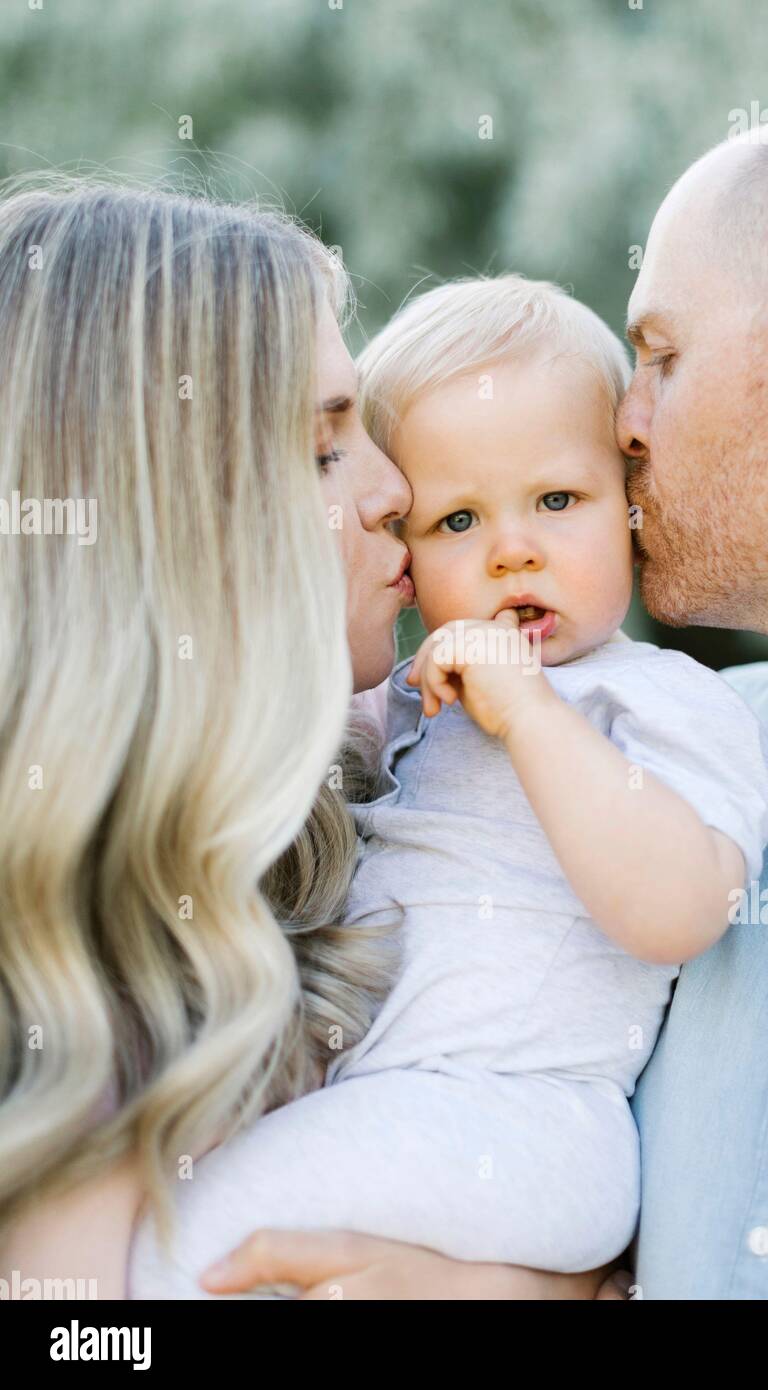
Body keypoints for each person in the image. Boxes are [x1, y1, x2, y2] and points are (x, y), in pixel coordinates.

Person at [197, 84, 768, 1301]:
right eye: (456, 513)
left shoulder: (660, 742)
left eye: (663, 355)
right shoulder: (726, 755)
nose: (624, 419)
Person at [126, 276, 768, 1296]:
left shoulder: (658, 703)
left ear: (631, 505)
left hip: (526, 1117)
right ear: (404, 554)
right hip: (393, 1103)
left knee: (189, 1243)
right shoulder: (402, 704)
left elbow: (682, 908)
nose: (515, 546)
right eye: (459, 518)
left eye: (558, 501)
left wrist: (531, 717)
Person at [0, 175, 411, 1297]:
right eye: (325, 450)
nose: (396, 493)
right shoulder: (84, 1018)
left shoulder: (366, 811)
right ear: (171, 531)